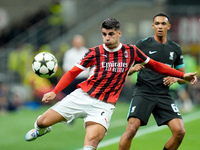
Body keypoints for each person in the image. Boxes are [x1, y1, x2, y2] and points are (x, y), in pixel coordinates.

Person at [25, 18, 197, 150]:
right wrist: (55, 91)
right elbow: (72, 73)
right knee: (41, 122)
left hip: (104, 105)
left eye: (111, 34)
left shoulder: (131, 51)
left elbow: (157, 66)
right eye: (104, 34)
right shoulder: (94, 52)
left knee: (91, 142)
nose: (107, 38)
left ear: (119, 34)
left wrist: (183, 75)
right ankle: (41, 130)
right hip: (82, 96)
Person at [119, 13, 193, 150]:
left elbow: (183, 78)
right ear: (153, 26)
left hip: (164, 95)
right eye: (157, 23)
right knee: (131, 129)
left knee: (180, 131)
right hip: (143, 92)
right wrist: (133, 69)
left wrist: (177, 78)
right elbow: (124, 69)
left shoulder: (175, 48)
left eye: (163, 24)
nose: (160, 26)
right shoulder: (142, 44)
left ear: (168, 26)